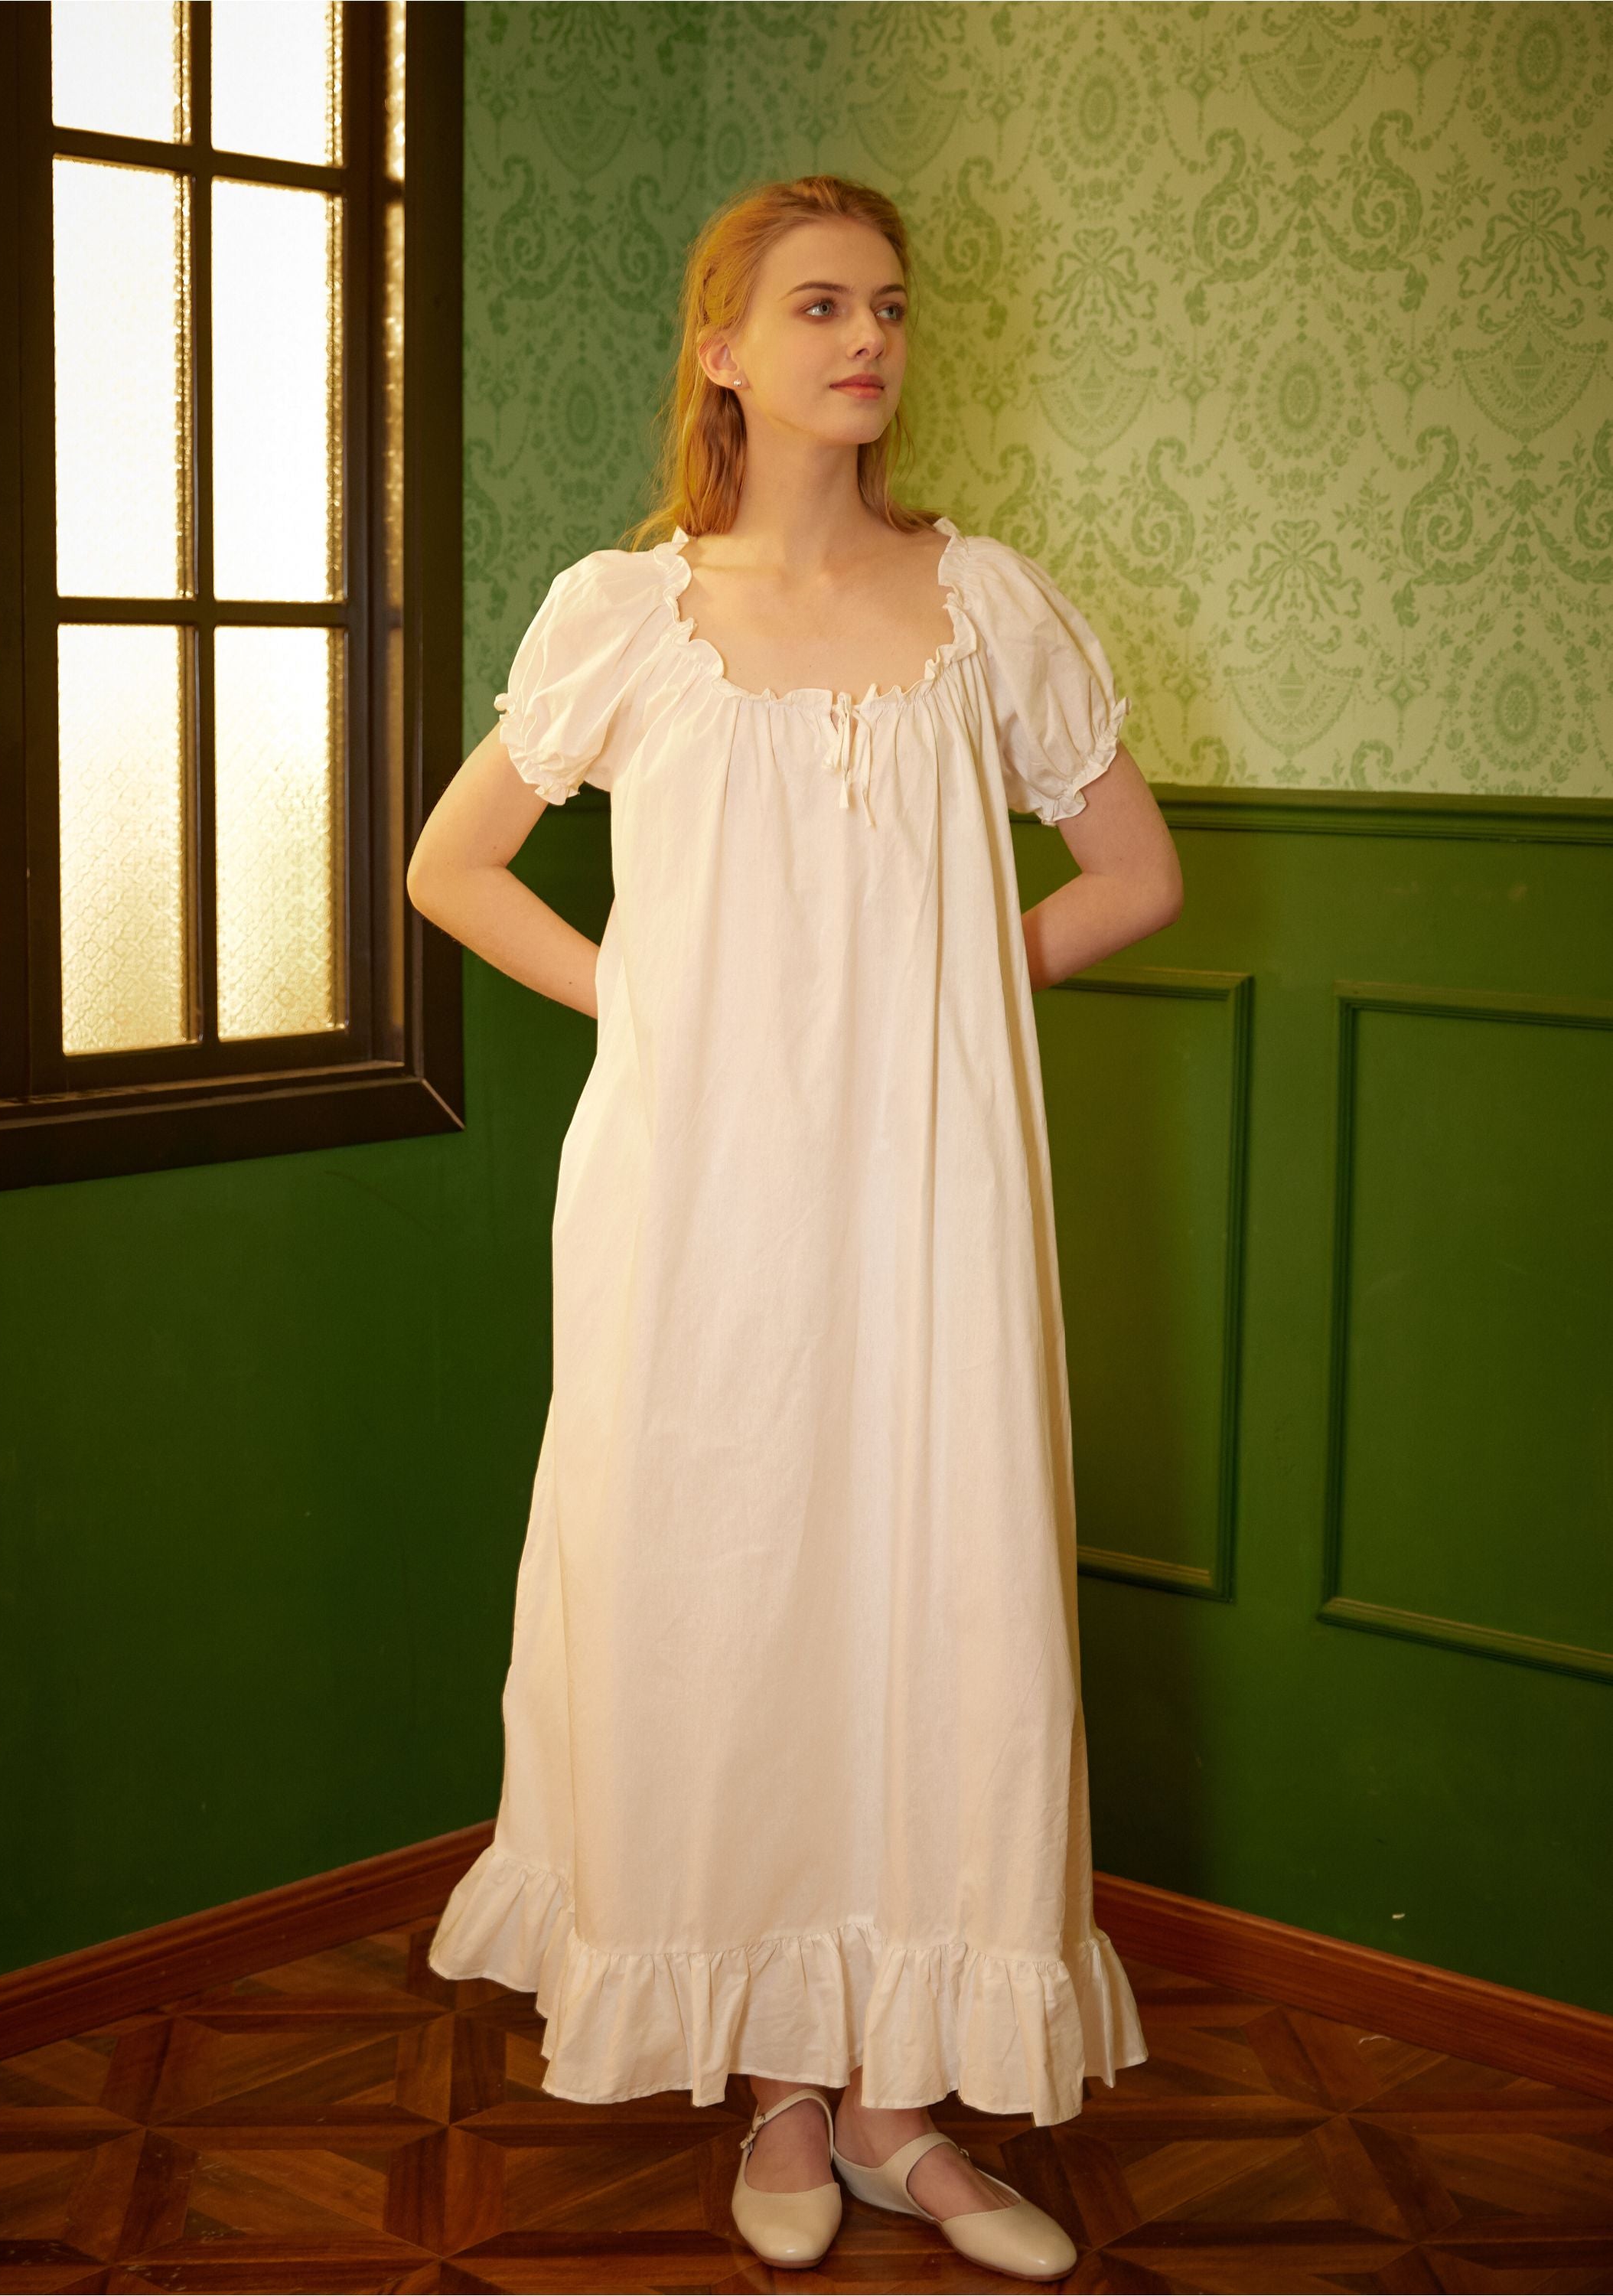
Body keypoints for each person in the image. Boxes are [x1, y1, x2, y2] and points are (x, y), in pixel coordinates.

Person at [406, 173, 1179, 2281]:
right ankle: (776, 2087)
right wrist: (652, 999)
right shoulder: (624, 613)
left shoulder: (986, 605)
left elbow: (1134, 877)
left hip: (930, 1195)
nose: (868, 340)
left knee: (936, 1596)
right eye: (820, 306)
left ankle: (907, 2107)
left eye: (890, 308)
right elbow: (454, 870)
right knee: (726, 1594)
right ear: (722, 351)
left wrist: (941, 993)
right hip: (694, 1207)